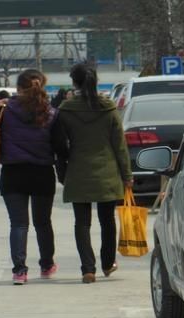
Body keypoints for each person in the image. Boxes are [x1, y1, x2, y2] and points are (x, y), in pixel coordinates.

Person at [58, 63, 133, 283]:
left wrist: (62, 173)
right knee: (107, 220)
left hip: (78, 171)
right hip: (107, 172)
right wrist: (127, 175)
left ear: (74, 82)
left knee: (81, 223)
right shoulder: (108, 108)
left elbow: (60, 146)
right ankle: (108, 264)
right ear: (96, 81)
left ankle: (87, 270)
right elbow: (120, 145)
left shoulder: (66, 110)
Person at [0, 69, 68, 285]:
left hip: (13, 173)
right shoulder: (51, 113)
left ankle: (20, 271)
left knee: (18, 224)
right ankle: (46, 265)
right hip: (41, 173)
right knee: (42, 222)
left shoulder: (5, 110)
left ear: (18, 88)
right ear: (42, 87)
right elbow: (60, 147)